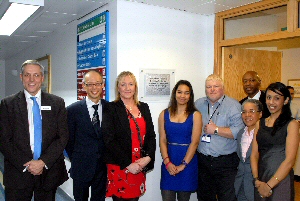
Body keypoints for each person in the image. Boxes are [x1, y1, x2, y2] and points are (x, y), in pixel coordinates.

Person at [0, 60, 69, 201]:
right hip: (18, 171)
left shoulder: (57, 103)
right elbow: (4, 139)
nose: (32, 80)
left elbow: (62, 137)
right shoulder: (8, 104)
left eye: (36, 75)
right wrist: (28, 163)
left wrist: (42, 162)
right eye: (27, 75)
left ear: (42, 78)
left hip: (48, 171)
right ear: (21, 77)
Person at [102, 71, 156, 201]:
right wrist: (128, 164)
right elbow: (109, 140)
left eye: (131, 84)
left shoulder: (144, 107)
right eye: (123, 84)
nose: (127, 88)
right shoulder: (111, 108)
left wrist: (148, 158)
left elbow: (151, 136)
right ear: (118, 88)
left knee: (134, 199)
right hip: (121, 165)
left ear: (135, 87)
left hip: (139, 164)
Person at [195, 74, 244, 201]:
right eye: (209, 87)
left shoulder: (234, 106)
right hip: (203, 161)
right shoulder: (198, 104)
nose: (212, 89)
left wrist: (216, 130)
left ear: (223, 88)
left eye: (216, 86)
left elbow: (239, 132)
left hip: (226, 163)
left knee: (227, 197)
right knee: (205, 197)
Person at [251, 82, 299, 200]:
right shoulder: (259, 123)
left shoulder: (291, 124)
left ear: (286, 100)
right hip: (261, 179)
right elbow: (254, 154)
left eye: (277, 98)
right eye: (269, 97)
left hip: (281, 180)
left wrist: (269, 185)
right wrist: (257, 179)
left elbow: (290, 160)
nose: (271, 102)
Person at [65, 70, 107, 201]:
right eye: (90, 84)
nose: (94, 88)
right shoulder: (72, 110)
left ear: (102, 85)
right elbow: (68, 140)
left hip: (102, 168)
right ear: (83, 86)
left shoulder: (110, 108)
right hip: (80, 166)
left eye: (97, 83)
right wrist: (77, 157)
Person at [159, 80, 202, 201]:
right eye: (179, 92)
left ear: (190, 95)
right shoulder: (164, 114)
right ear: (174, 93)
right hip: (169, 161)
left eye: (186, 93)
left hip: (187, 164)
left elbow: (195, 143)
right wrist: (167, 162)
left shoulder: (196, 115)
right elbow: (162, 140)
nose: (182, 96)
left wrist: (183, 165)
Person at [234, 99, 263, 201]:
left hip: (258, 184)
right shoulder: (240, 133)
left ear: (260, 114)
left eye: (251, 111)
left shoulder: (264, 135)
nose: (247, 115)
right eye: (244, 112)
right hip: (241, 182)